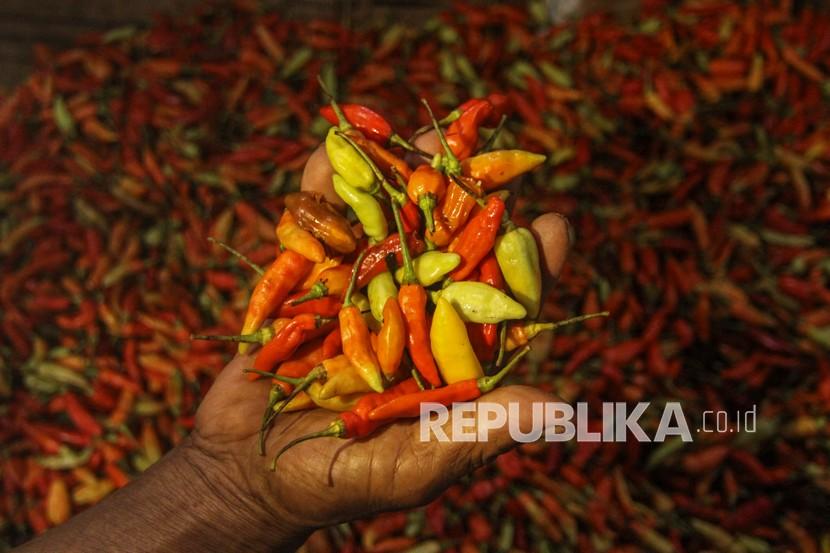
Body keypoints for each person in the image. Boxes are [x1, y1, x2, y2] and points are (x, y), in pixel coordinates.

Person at [15, 132, 572, 553]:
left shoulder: (387, 284)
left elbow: (407, 288)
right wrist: (234, 479)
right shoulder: (346, 309)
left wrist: (233, 484)